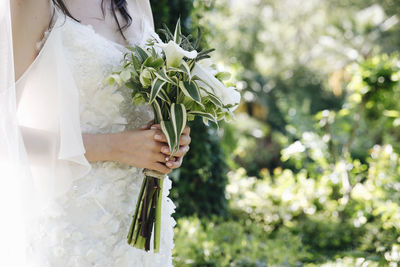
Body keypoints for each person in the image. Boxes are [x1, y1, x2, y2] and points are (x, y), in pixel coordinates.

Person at [2, 0, 191, 265]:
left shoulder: (136, 3)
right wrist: (112, 147)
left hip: (143, 232)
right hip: (74, 234)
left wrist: (168, 139)